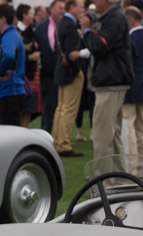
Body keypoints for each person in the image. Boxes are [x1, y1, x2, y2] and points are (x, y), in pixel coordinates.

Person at [79, 0, 133, 174]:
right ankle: (118, 182)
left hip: (111, 82)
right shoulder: (113, 16)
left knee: (102, 137)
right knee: (113, 136)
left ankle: (104, 184)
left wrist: (86, 30)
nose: (94, 2)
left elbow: (98, 46)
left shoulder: (115, 18)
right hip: (114, 81)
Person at [53, 0, 85, 156]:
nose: (82, 10)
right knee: (68, 109)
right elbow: (71, 53)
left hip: (61, 69)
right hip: (70, 72)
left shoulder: (61, 23)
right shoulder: (70, 25)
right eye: (80, 7)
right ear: (71, 7)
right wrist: (77, 70)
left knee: (61, 108)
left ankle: (58, 141)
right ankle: (63, 144)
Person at [122, 6, 143, 173]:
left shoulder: (130, 39)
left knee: (130, 127)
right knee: (142, 128)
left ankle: (132, 167)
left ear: (131, 20)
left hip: (131, 87)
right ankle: (140, 165)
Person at [0, 3, 27, 125]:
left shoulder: (9, 36)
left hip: (9, 91)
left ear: (3, 20)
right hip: (12, 90)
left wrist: (1, 71)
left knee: (10, 130)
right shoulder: (11, 35)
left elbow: (9, 55)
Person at [34, 0, 63, 133]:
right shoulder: (41, 27)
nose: (62, 11)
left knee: (63, 108)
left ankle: (61, 137)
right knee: (48, 107)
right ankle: (46, 134)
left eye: (63, 9)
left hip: (64, 73)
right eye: (59, 8)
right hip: (47, 74)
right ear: (51, 10)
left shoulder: (67, 25)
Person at [17, 4, 40, 127]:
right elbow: (14, 54)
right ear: (24, 15)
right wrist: (30, 57)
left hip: (31, 76)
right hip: (22, 76)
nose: (33, 16)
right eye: (30, 13)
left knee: (27, 111)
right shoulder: (16, 32)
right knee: (21, 110)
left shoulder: (30, 31)